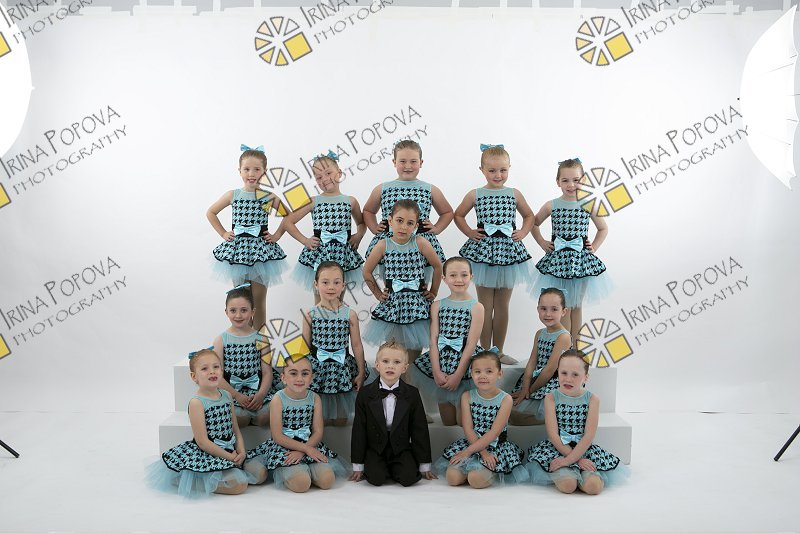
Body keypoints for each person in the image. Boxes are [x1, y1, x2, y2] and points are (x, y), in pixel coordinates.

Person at [454, 144, 534, 365]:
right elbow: (458, 215)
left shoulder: (514, 194)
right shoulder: (475, 194)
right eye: (492, 170)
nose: (498, 175)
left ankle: (498, 351)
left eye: (503, 170)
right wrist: (469, 232)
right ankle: (484, 350)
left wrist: (523, 232)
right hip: (483, 254)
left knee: (502, 306)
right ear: (481, 169)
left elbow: (529, 216)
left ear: (509, 168)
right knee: (484, 305)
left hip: (508, 254)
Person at [146, 349, 264, 497]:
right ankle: (197, 482)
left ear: (222, 371)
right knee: (238, 486)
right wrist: (229, 457)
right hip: (210, 453)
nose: (212, 371)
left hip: (231, 449)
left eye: (216, 367)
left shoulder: (227, 395)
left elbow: (235, 429)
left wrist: (241, 451)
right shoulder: (197, 403)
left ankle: (233, 470)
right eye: (204, 369)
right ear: (194, 376)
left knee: (261, 474)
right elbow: (202, 442)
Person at [529, 158, 611, 341]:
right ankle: (564, 347)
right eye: (565, 180)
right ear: (558, 182)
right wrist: (542, 242)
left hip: (580, 262)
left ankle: (576, 347)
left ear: (584, 180)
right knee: (563, 305)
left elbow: (603, 228)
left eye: (576, 180)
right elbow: (533, 223)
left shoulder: (588, 204)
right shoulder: (552, 205)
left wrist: (593, 247)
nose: (571, 185)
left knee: (577, 305)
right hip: (558, 262)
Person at [526, 349, 628, 494]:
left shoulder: (592, 400)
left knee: (593, 487)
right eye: (564, 373)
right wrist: (573, 460)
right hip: (558, 449)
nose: (568, 379)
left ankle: (584, 477)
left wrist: (572, 459)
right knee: (568, 486)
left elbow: (588, 435)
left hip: (583, 449)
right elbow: (553, 435)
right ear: (557, 372)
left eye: (575, 374)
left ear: (585, 377)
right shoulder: (551, 398)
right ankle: (569, 474)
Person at [207, 145, 287, 328]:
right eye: (247, 169)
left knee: (258, 302)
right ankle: (244, 339)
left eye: (257, 169)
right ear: (239, 171)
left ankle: (261, 343)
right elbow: (211, 212)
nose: (251, 174)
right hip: (238, 253)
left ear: (264, 171)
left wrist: (277, 235)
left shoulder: (268, 197)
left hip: (261, 253)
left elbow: (288, 215)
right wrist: (223, 233)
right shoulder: (233, 195)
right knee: (241, 301)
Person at [246, 353, 348, 492]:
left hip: (309, 443)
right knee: (302, 484)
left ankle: (309, 469)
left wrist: (304, 450)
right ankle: (294, 472)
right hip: (284, 447)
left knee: (327, 481)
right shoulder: (278, 399)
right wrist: (305, 450)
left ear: (311, 377)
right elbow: (277, 436)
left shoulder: (314, 398)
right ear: (283, 378)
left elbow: (318, 431)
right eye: (293, 373)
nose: (299, 378)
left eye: (305, 374)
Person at [277, 151, 365, 302]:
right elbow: (288, 222)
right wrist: (305, 240)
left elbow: (361, 223)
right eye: (318, 177)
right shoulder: (313, 201)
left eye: (328, 173)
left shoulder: (351, 201)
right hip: (319, 254)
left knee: (338, 299)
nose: (324, 179)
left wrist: (359, 235)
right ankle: (319, 317)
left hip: (342, 255)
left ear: (339, 173)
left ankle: (337, 317)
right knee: (320, 300)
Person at [363, 199, 442, 367]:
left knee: (414, 351)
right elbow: (367, 271)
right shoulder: (383, 245)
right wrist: (378, 294)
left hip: (417, 304)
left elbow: (437, 266)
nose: (404, 227)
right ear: (390, 221)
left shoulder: (420, 242)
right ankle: (392, 380)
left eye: (410, 223)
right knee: (393, 348)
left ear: (416, 226)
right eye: (399, 221)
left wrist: (433, 291)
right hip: (393, 304)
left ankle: (409, 380)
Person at [434, 350, 529, 488]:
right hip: (472, 441)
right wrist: (477, 451)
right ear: (471, 374)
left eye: (489, 371)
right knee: (452, 478)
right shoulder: (467, 396)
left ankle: (490, 471)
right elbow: (468, 428)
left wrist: (477, 453)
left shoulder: (505, 399)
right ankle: (471, 468)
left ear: (499, 374)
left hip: (494, 446)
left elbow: (494, 432)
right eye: (477, 372)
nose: (482, 376)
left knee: (475, 480)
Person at [362, 140, 452, 284]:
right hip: (391, 241)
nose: (408, 166)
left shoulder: (429, 189)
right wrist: (374, 228)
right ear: (394, 162)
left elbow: (447, 212)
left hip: (421, 242)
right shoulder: (382, 188)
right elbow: (368, 210)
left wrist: (437, 228)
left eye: (413, 161)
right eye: (402, 161)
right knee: (391, 282)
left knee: (420, 284)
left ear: (421, 163)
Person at [350, 339, 435, 486]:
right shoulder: (365, 394)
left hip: (401, 448)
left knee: (409, 478)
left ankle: (397, 469)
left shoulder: (412, 394)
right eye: (385, 361)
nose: (390, 366)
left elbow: (419, 429)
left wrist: (424, 464)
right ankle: (382, 469)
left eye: (397, 362)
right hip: (375, 449)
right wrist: (358, 465)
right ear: (377, 365)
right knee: (376, 479)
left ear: (405, 368)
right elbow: (359, 430)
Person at [413, 257, 483, 426]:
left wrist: (458, 375)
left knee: (462, 421)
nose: (459, 279)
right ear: (444, 278)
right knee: (448, 422)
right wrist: (436, 371)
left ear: (471, 277)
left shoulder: (476, 307)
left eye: (464, 275)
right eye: (453, 275)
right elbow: (433, 340)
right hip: (443, 361)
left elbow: (471, 344)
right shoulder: (437, 305)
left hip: (464, 364)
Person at [301, 261, 368, 426]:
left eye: (336, 282)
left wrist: (360, 372)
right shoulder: (310, 314)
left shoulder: (349, 314)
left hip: (341, 368)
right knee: (319, 420)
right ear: (316, 284)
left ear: (343, 286)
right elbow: (304, 347)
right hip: (318, 369)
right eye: (325, 282)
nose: (331, 287)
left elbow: (356, 345)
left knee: (340, 422)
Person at [212, 283, 277, 427]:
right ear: (226, 312)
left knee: (266, 418)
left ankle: (257, 414)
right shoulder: (221, 340)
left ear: (253, 311)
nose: (238, 315)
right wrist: (237, 396)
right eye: (233, 310)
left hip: (257, 390)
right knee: (239, 419)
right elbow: (218, 375)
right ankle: (244, 416)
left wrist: (260, 395)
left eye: (244, 310)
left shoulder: (262, 338)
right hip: (232, 391)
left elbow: (267, 372)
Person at [509, 287, 571, 425]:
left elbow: (549, 370)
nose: (548, 314)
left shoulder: (563, 337)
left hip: (553, 379)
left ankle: (544, 418)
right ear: (538, 309)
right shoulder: (540, 333)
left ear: (563, 311)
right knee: (513, 405)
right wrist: (525, 386)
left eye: (554, 309)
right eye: (543, 309)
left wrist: (529, 391)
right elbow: (532, 361)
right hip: (538, 377)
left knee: (541, 405)